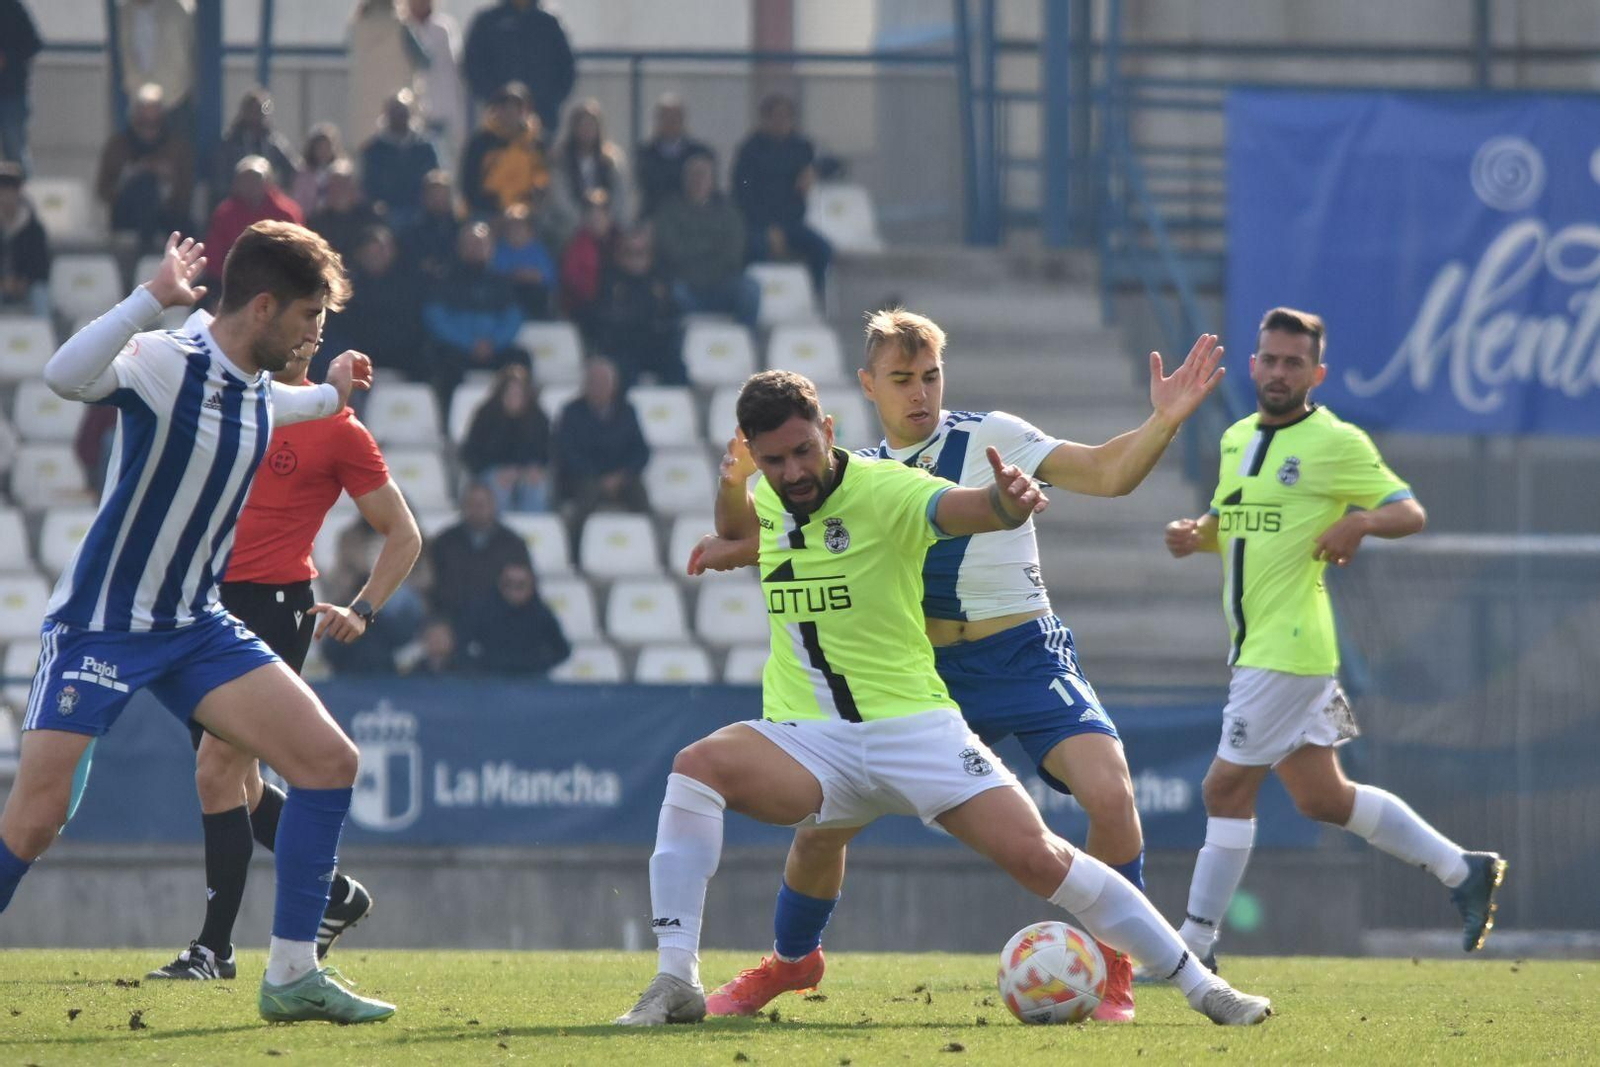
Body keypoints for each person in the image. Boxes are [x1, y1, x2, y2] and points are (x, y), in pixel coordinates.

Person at [614, 369, 1272, 1028]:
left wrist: (1008, 503)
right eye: (776, 460)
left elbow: (968, 509)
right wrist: (731, 487)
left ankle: (1201, 984)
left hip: (915, 730)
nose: (793, 472)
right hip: (811, 739)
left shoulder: (887, 489)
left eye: (804, 451)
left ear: (830, 432)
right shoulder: (771, 496)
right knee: (697, 766)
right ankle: (677, 978)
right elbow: (737, 526)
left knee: (1040, 856)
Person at [1, 225, 394, 1023]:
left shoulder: (256, 382)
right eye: (311, 315)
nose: (318, 331)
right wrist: (150, 299)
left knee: (329, 761)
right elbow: (61, 373)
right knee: (37, 820)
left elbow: (292, 403)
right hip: (102, 627)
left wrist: (337, 388)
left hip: (196, 625)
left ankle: (290, 975)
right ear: (262, 305)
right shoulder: (167, 359)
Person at [1162, 307, 1507, 966]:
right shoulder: (1236, 437)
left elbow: (1409, 510)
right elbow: (1232, 521)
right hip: (1263, 647)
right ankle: (1464, 869)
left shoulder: (1336, 442)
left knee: (1223, 790)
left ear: (1316, 373)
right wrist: (1197, 534)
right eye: (1271, 358)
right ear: (1255, 362)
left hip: (1286, 650)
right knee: (1323, 797)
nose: (1280, 371)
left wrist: (1360, 525)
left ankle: (1193, 946)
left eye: (1295, 362)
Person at [146, 303, 421, 981]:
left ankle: (215, 948)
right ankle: (334, 894)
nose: (301, 331)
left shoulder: (339, 429)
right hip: (204, 605)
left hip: (274, 608)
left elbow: (405, 533)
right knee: (236, 781)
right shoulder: (240, 399)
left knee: (217, 770)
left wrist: (362, 607)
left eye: (311, 318)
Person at [420, 220, 526, 412]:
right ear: (459, 247)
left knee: (521, 359)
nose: (476, 249)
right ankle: (448, 415)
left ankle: (516, 412)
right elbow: (436, 319)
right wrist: (469, 343)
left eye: (481, 244)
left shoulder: (501, 283)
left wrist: (494, 342)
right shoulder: (444, 280)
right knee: (441, 362)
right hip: (458, 350)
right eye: (470, 243)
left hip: (495, 348)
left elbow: (514, 318)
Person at [732, 94, 831, 296]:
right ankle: (762, 298)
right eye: (776, 117)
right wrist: (769, 228)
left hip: (792, 223)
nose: (782, 122)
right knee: (756, 249)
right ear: (765, 119)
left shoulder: (800, 146)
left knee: (822, 249)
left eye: (786, 117)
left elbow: (834, 164)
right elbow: (742, 195)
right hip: (758, 224)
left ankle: (812, 297)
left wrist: (814, 170)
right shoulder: (750, 150)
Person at [655, 150, 759, 330]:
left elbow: (733, 254)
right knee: (672, 295)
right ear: (684, 178)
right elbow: (670, 251)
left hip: (722, 285)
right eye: (693, 174)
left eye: (703, 174)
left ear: (713, 179)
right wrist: (711, 247)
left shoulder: (729, 212)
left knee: (750, 290)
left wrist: (693, 249)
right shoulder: (668, 210)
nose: (698, 179)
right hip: (685, 286)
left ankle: (744, 342)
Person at [553, 356, 650, 547]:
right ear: (585, 385)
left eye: (604, 382)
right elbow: (566, 452)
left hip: (621, 477)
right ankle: (575, 551)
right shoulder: (571, 412)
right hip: (583, 477)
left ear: (614, 385)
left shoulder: (627, 411)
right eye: (594, 382)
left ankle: (647, 546)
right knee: (585, 501)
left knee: (642, 499)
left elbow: (641, 451)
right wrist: (598, 477)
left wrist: (622, 474)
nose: (599, 387)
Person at [96, 84, 196, 252]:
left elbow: (186, 192)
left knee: (188, 226)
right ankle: (145, 251)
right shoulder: (118, 146)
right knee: (145, 184)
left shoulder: (178, 148)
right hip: (127, 213)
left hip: (166, 213)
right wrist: (131, 175)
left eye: (154, 119)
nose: (149, 124)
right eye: (143, 119)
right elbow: (103, 190)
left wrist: (167, 180)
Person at [317, 224, 420, 382]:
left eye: (382, 251)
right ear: (360, 254)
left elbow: (410, 327)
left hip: (400, 359)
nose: (377, 257)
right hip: (355, 355)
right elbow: (342, 326)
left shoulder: (408, 286)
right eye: (372, 253)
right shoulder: (345, 287)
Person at [463, 0, 575, 138]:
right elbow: (473, 65)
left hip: (542, 116)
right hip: (498, 119)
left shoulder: (548, 22)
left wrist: (550, 101)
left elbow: (566, 67)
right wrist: (495, 100)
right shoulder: (488, 21)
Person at [595, 227, 686, 388]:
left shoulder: (660, 278)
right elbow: (608, 318)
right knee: (621, 372)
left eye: (641, 252)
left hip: (655, 345)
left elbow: (673, 313)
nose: (636, 259)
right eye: (629, 252)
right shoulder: (611, 280)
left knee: (677, 369)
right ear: (619, 255)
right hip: (625, 347)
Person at [427, 482, 533, 621]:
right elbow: (432, 587)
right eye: (471, 504)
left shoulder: (513, 544)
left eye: (482, 504)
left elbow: (527, 586)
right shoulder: (444, 542)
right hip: (453, 620)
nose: (477, 509)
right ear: (463, 507)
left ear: (493, 505)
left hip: (501, 620)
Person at [461, 362, 552, 513]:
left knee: (536, 487)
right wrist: (499, 471)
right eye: (510, 394)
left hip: (526, 472)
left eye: (519, 394)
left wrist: (533, 469)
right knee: (498, 487)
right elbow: (472, 454)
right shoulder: (485, 416)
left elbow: (545, 452)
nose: (514, 399)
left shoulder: (538, 418)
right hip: (491, 472)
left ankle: (531, 528)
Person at [202, 157, 303, 293]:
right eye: (244, 180)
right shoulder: (224, 213)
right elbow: (213, 257)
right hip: (232, 285)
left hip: (276, 286)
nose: (250, 185)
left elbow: (297, 255)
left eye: (256, 179)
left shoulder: (287, 213)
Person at [458, 561, 569, 676]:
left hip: (531, 683)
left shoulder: (542, 614)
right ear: (500, 584)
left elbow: (562, 651)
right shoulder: (482, 611)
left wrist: (537, 665)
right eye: (508, 584)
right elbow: (462, 645)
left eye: (520, 585)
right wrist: (482, 665)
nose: (514, 590)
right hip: (491, 683)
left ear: (531, 587)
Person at [459, 81, 548, 217]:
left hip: (525, 215)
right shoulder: (481, 142)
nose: (510, 113)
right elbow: (469, 183)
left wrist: (527, 206)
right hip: (486, 212)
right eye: (505, 107)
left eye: (516, 108)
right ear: (495, 110)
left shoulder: (536, 143)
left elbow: (543, 180)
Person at [360, 89, 439, 228]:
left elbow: (434, 176)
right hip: (388, 212)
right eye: (395, 113)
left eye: (403, 113)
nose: (400, 117)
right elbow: (368, 183)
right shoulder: (374, 150)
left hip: (419, 210)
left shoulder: (424, 147)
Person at [347, 0, 421, 147]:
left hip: (363, 108)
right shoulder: (401, 27)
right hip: (396, 106)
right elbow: (424, 60)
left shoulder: (356, 27)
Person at [404, 0, 466, 168]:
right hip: (413, 111)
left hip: (444, 108)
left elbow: (453, 70)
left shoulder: (443, 28)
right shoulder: (402, 28)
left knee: (447, 164)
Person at [550, 98, 632, 226]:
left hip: (607, 223)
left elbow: (621, 196)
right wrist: (582, 221)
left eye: (591, 125)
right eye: (582, 125)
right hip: (572, 224)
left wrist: (606, 221)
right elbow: (561, 199)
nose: (586, 130)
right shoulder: (562, 160)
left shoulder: (612, 159)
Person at [117, 0, 195, 128]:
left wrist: (160, 96)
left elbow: (183, 55)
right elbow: (122, 56)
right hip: (133, 102)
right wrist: (141, 94)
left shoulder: (175, 11)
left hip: (174, 100)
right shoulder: (123, 14)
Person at [215, 89, 302, 198]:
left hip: (267, 200)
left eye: (259, 111)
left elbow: (294, 168)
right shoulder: (230, 142)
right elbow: (220, 177)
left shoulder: (273, 141)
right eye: (251, 110)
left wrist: (281, 192)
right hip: (239, 200)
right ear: (244, 112)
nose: (255, 115)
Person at [635, 94, 710, 219]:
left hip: (692, 218)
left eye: (675, 118)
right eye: (666, 118)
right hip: (655, 219)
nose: (671, 123)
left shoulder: (700, 153)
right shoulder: (645, 155)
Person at [558, 188, 613, 335]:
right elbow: (571, 279)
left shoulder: (619, 241)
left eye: (601, 214)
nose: (597, 220)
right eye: (593, 215)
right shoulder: (576, 246)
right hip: (586, 307)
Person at [307, 160, 383, 262]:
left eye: (344, 185)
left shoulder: (371, 218)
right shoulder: (316, 223)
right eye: (335, 185)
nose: (340, 190)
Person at [0, 162, 49, 318]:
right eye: (2, 189)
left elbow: (42, 266)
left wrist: (24, 281)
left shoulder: (34, 229)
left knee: (40, 293)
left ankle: (45, 331)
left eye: (11, 189)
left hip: (27, 285)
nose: (6, 195)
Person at [490, 203, 555, 319]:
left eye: (521, 226)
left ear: (530, 230)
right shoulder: (498, 250)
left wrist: (532, 276)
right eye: (512, 226)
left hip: (535, 301)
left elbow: (549, 277)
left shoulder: (539, 251)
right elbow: (495, 274)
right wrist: (516, 275)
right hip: (506, 301)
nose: (516, 230)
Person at [0, 0, 41, 174]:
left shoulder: (12, 8)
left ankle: (21, 196)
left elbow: (33, 44)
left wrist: (7, 58)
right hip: (13, 93)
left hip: (12, 94)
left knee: (15, 152)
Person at [402, 168, 460, 283]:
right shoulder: (411, 232)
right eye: (433, 194)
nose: (438, 199)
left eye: (442, 194)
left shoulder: (461, 228)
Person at [290, 122, 346, 217]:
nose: (324, 151)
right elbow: (299, 201)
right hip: (311, 218)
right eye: (320, 147)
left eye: (327, 147)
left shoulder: (340, 171)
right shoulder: (304, 174)